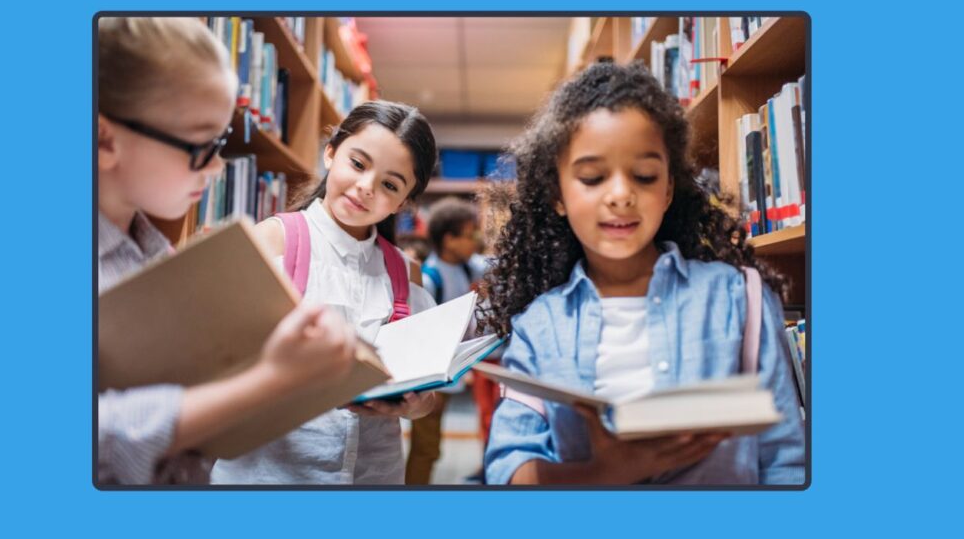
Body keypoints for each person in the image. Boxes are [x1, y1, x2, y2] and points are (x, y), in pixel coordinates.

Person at [481, 62, 805, 485]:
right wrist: (605, 473)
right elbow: (508, 468)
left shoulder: (739, 298)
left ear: (668, 188)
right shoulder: (539, 327)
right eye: (593, 177)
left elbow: (785, 462)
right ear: (557, 195)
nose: (621, 195)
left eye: (645, 176)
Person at [97, 17, 359, 485]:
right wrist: (272, 380)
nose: (218, 167)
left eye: (221, 143)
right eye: (201, 146)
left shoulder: (153, 253)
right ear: (104, 140)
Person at [211, 100, 441, 484]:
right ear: (331, 152)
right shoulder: (273, 240)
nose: (365, 188)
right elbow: (217, 361)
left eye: (389, 185)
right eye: (358, 163)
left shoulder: (405, 272)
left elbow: (425, 399)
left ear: (403, 202)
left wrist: (414, 404)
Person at [405, 197, 486, 484]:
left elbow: (493, 265)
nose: (476, 242)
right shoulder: (430, 279)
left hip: (454, 369)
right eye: (470, 235)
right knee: (427, 448)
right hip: (431, 377)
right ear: (449, 240)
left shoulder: (467, 267)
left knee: (431, 446)